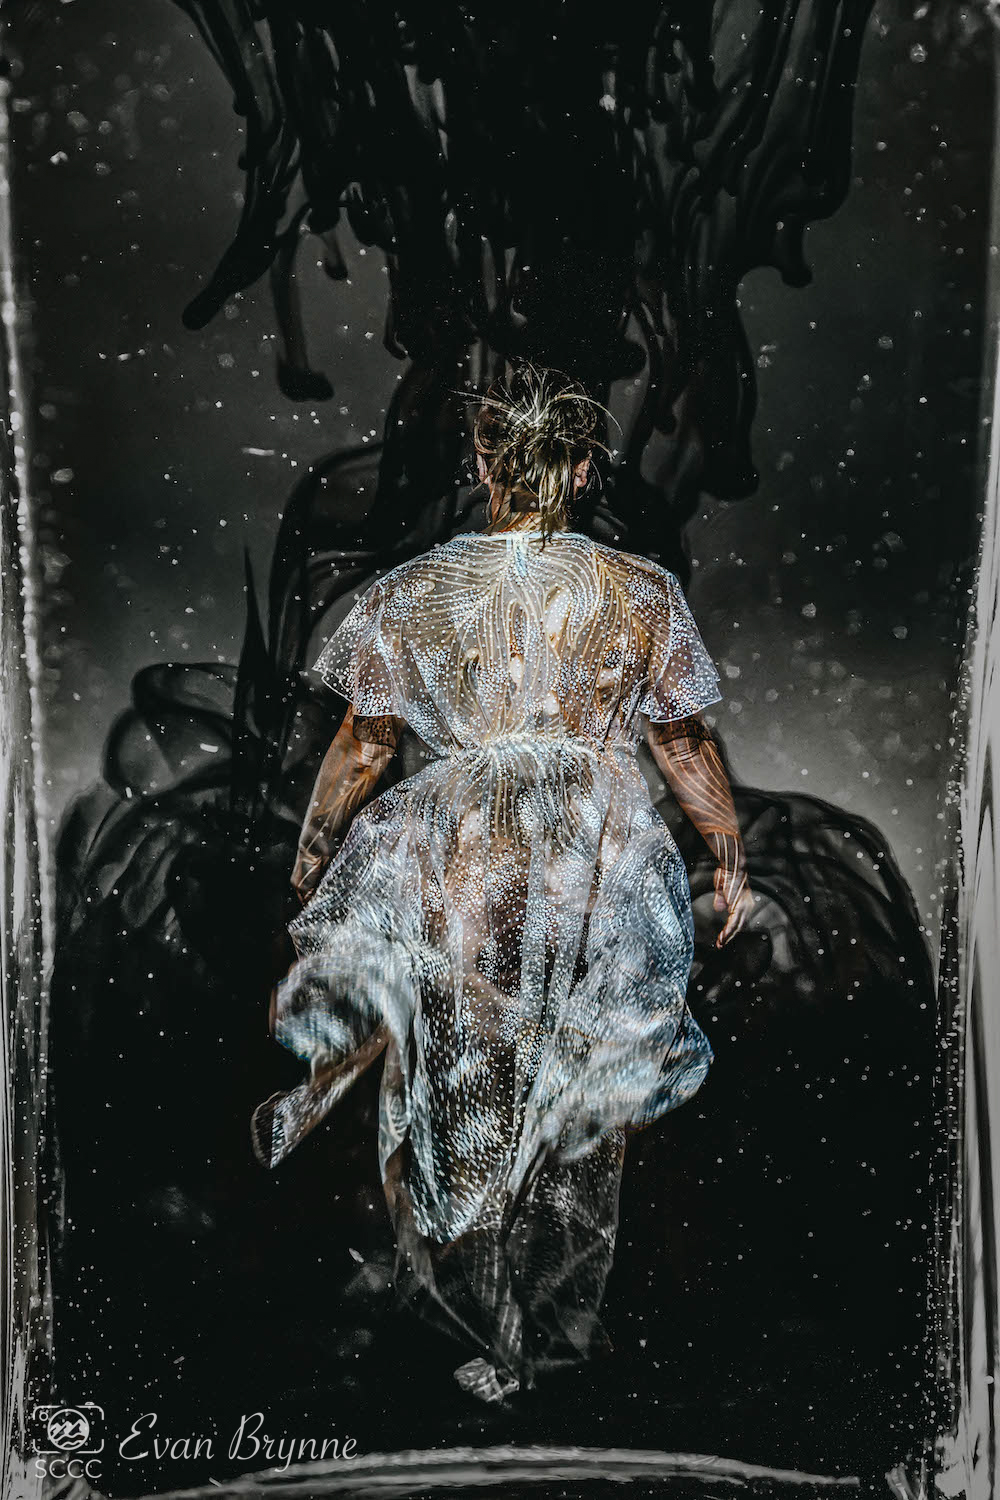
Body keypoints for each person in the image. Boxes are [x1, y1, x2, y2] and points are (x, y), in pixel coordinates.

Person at [251, 363, 755, 1404]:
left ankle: (471, 1321)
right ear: (582, 471)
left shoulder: (414, 591)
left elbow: (364, 742)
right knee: (570, 1085)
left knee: (459, 1078)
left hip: (461, 843)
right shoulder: (634, 591)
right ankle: (537, 1337)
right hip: (588, 846)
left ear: (482, 465)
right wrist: (723, 844)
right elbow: (681, 739)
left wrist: (315, 853)